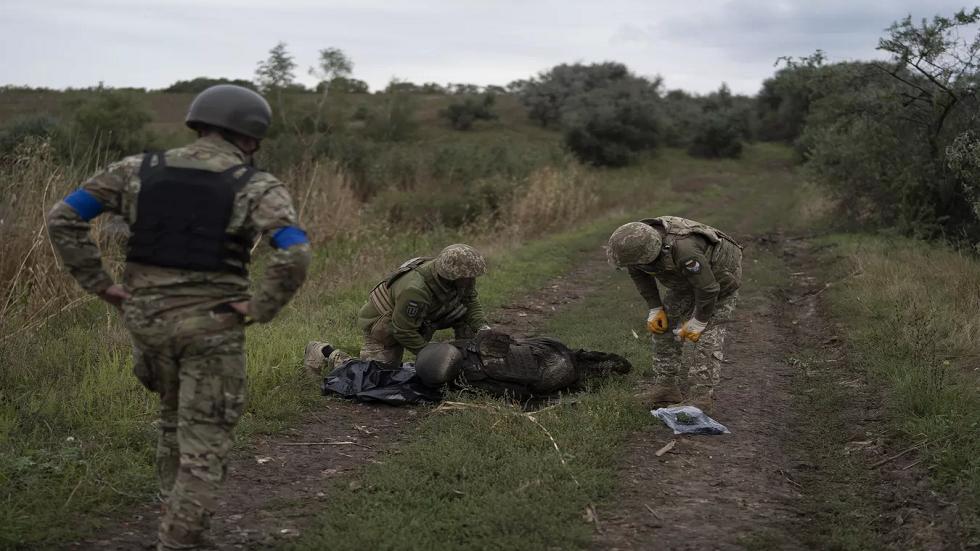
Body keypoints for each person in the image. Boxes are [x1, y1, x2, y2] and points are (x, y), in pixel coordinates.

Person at [45, 84, 312, 551]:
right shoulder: (256, 185)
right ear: (251, 136)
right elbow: (294, 252)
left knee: (171, 421)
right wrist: (261, 307)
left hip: (146, 325)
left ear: (198, 122)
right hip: (211, 327)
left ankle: (182, 525)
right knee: (205, 443)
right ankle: (180, 541)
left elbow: (64, 216)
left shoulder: (136, 170)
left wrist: (100, 284)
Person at [605, 216, 742, 414]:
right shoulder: (638, 248)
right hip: (684, 279)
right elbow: (638, 274)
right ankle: (666, 387)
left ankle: (700, 398)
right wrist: (655, 308)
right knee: (663, 325)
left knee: (707, 335)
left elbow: (709, 288)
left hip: (719, 278)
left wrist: (698, 321)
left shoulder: (684, 250)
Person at [307, 328, 631, 402]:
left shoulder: (474, 359)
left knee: (384, 373)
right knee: (377, 373)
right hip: (553, 357)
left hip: (550, 357)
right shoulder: (468, 369)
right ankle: (326, 351)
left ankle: (328, 352)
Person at [307, 244, 491, 368]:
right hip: (384, 325)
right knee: (375, 376)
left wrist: (483, 327)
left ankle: (469, 363)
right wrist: (436, 356)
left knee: (468, 320)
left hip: (416, 318)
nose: (472, 280)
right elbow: (403, 331)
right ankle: (323, 353)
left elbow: (470, 301)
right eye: (468, 277)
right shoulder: (416, 290)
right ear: (450, 274)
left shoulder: (460, 279)